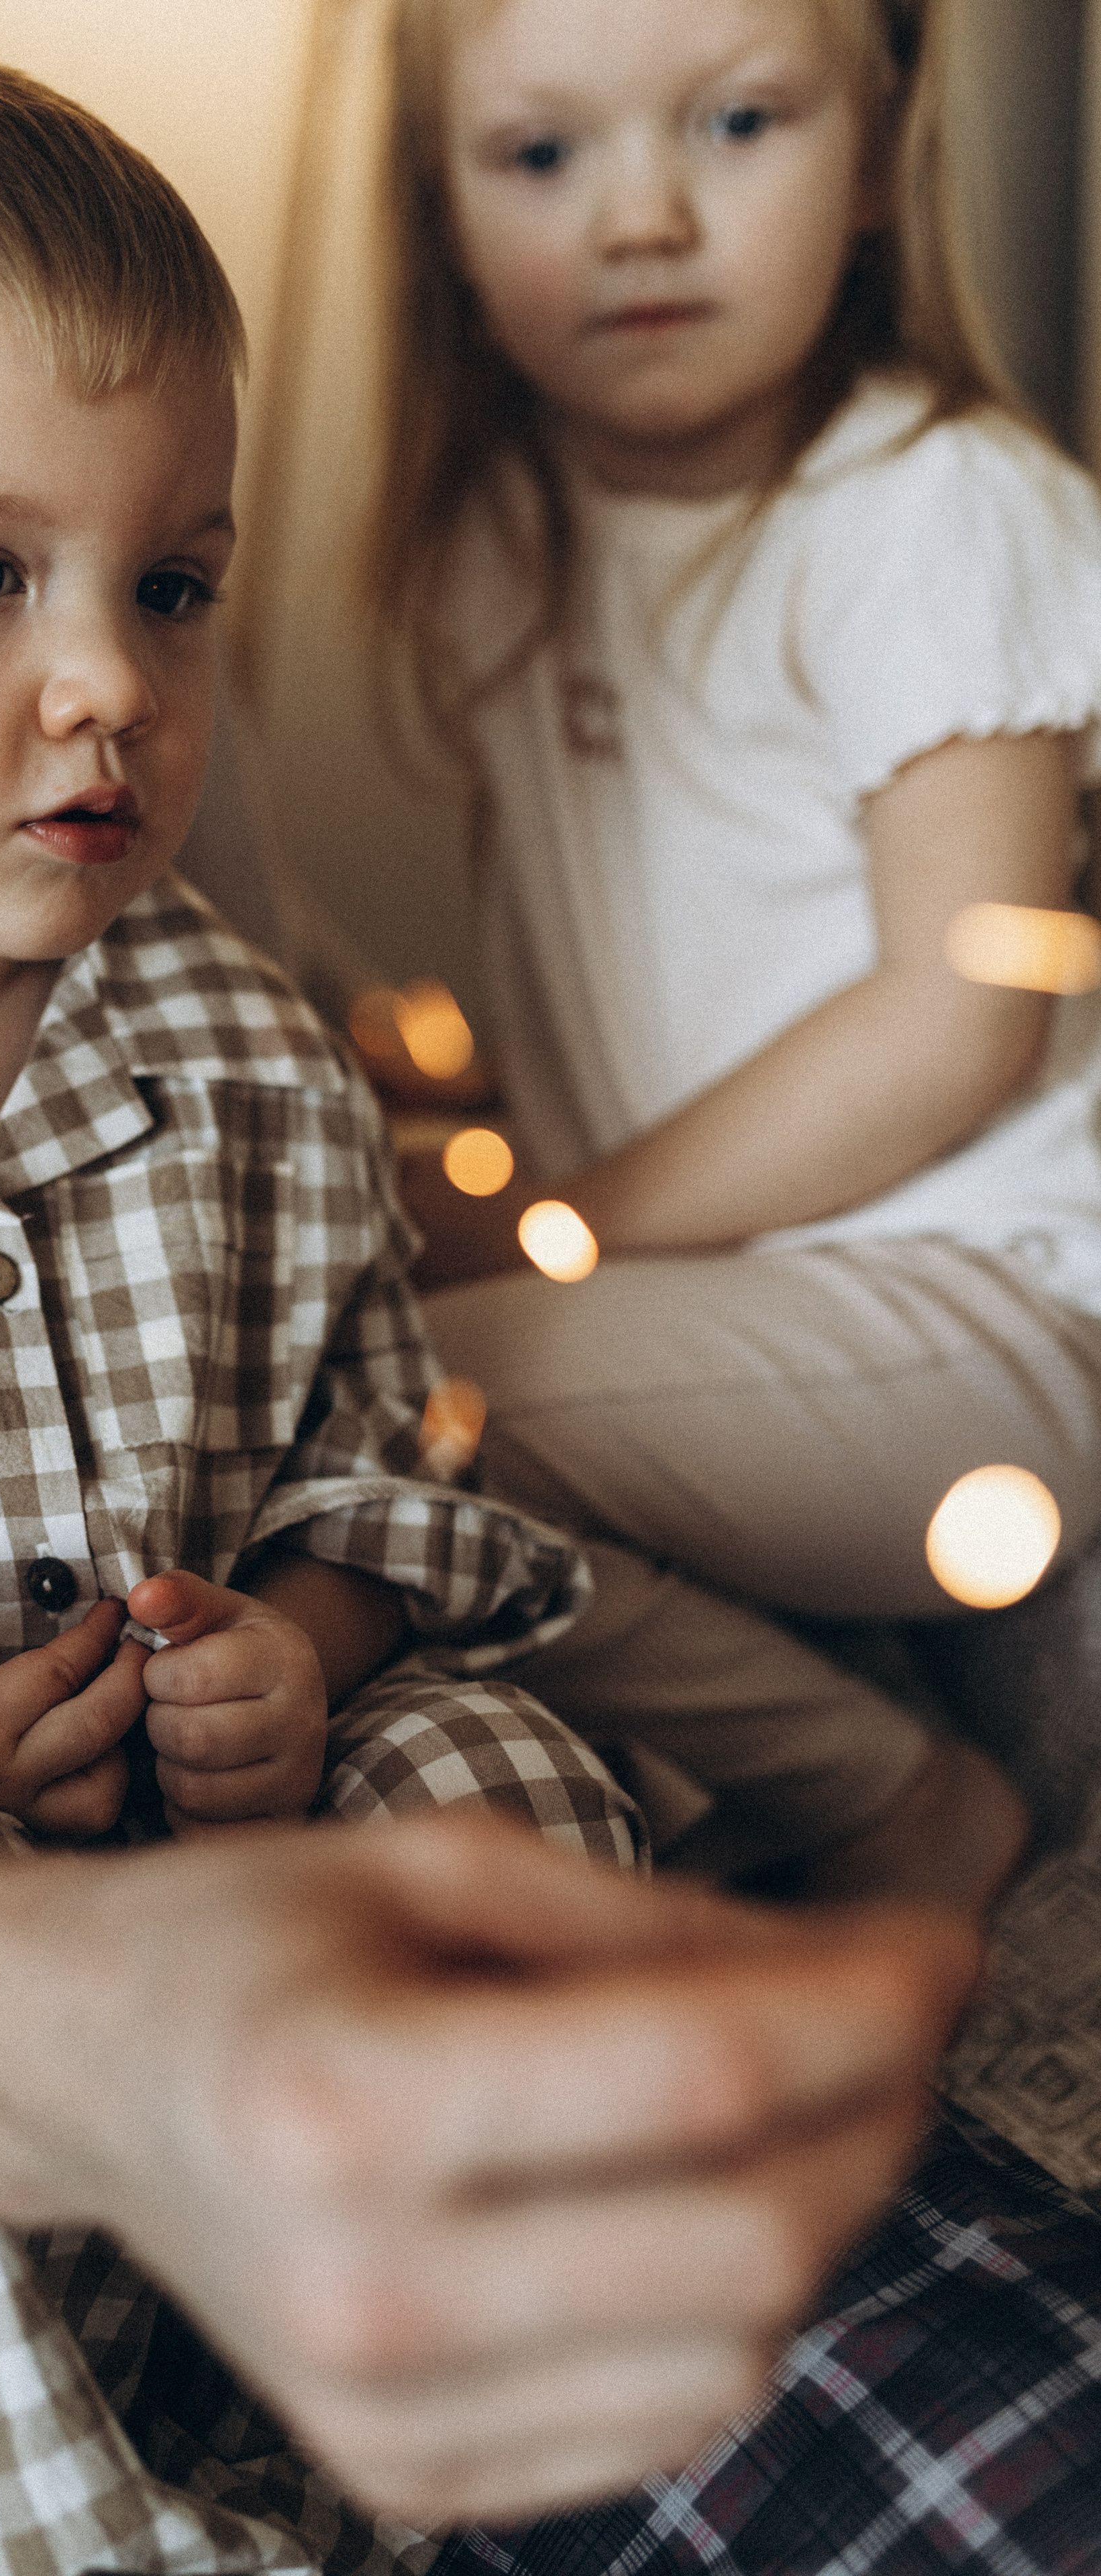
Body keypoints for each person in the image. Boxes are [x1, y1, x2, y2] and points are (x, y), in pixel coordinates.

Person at [0, 0, 986, 2561]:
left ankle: (521, 2412)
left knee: (516, 1788)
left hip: (253, 1838)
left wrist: (312, 1659)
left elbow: (375, 1451)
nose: (109, 675)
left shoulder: (235, 1043)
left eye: (176, 583)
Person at [369, 0, 1094, 1909]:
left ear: (873, 157)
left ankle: (893, 1802)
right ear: (437, 209)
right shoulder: (504, 525)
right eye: (542, 155)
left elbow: (964, 1017)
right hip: (736, 1300)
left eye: (739, 124)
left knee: (421, 1412)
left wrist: (572, 1223)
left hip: (1003, 1309)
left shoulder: (929, 507)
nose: (642, 220)